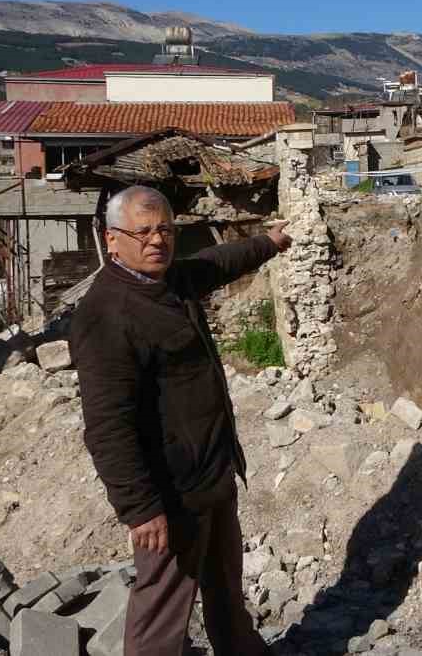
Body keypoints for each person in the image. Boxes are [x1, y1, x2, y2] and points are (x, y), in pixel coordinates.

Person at [70, 185, 291, 656]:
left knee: (227, 591)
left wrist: (269, 242)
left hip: (213, 474)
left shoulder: (169, 281)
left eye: (166, 230)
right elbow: (107, 425)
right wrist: (140, 507)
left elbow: (217, 262)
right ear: (112, 240)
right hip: (171, 496)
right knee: (163, 611)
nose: (157, 241)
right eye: (143, 231)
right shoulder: (106, 313)